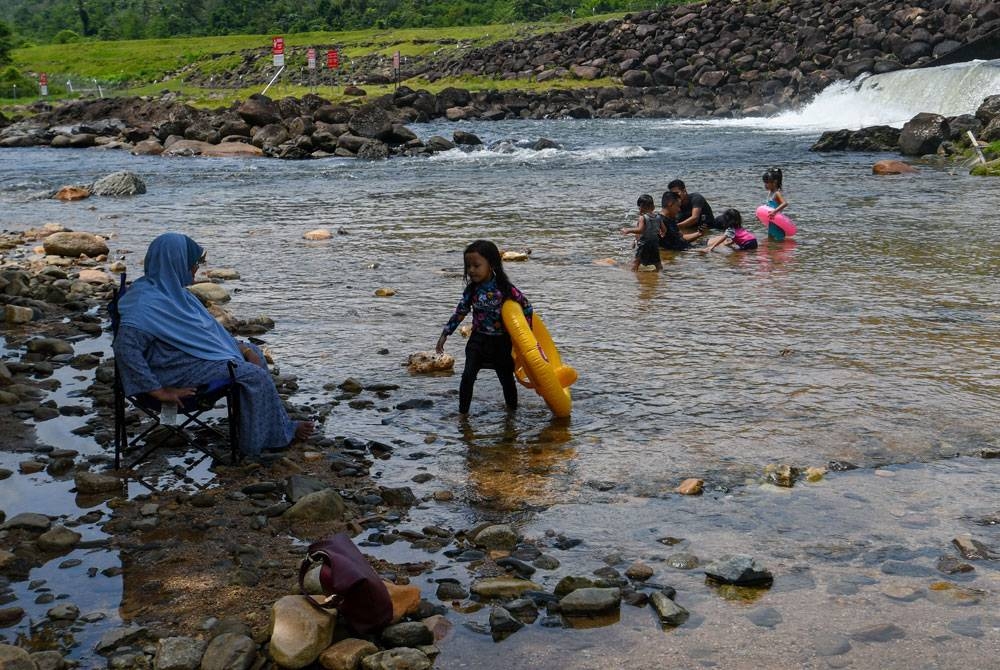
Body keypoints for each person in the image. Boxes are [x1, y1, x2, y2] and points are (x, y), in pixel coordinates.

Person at [113, 233, 313, 458]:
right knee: (251, 376)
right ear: (175, 263)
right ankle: (257, 445)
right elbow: (125, 349)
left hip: (182, 359)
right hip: (170, 373)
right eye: (193, 263)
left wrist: (243, 349)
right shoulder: (145, 304)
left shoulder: (173, 295)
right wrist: (158, 391)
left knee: (254, 352)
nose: (195, 269)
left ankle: (275, 428)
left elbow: (205, 335)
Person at [436, 240, 533, 416]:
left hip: (501, 342)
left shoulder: (506, 290)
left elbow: (527, 307)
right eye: (468, 266)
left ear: (492, 264)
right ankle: (463, 415)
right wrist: (445, 333)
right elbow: (460, 312)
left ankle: (512, 416)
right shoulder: (472, 291)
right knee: (467, 377)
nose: (471, 270)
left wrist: (527, 338)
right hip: (478, 341)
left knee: (506, 380)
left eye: (476, 265)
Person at [621, 194, 665, 271]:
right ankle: (662, 275)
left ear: (641, 208)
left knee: (636, 262)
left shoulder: (642, 218)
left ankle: (633, 275)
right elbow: (664, 229)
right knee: (657, 263)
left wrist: (628, 230)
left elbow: (640, 230)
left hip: (644, 244)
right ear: (653, 207)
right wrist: (662, 233)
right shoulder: (658, 217)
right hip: (654, 243)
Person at [762, 167, 789, 240]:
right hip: (771, 222)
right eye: (764, 182)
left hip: (777, 223)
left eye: (767, 183)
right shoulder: (770, 192)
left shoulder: (777, 193)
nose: (765, 185)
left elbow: (785, 203)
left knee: (778, 242)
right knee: (770, 240)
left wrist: (774, 211)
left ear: (774, 182)